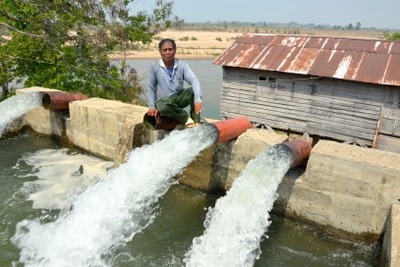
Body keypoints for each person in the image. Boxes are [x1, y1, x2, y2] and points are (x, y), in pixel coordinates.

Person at [146, 38, 204, 127]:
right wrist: (151, 106)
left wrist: (197, 99)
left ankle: (196, 120)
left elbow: (194, 80)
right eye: (165, 50)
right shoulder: (154, 66)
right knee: (163, 107)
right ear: (160, 51)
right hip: (163, 101)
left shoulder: (182, 64)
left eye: (170, 49)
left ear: (175, 50)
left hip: (178, 98)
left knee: (193, 91)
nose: (168, 52)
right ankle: (186, 118)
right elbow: (150, 87)